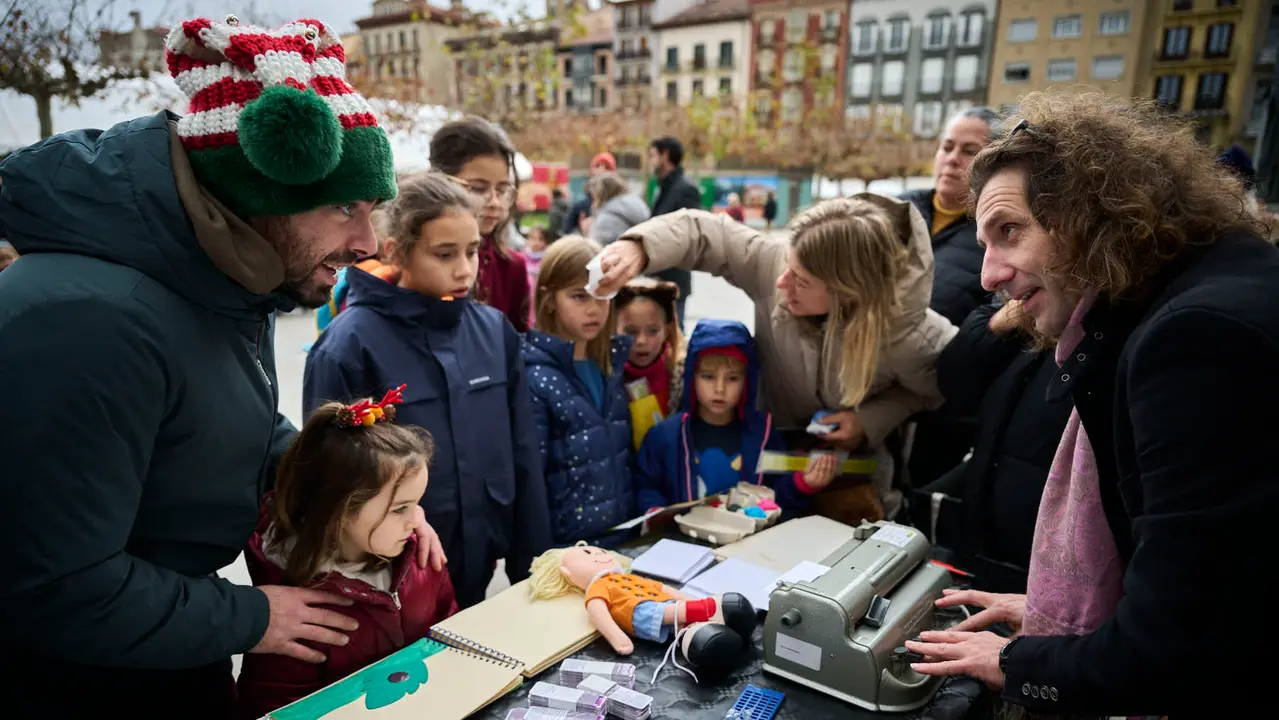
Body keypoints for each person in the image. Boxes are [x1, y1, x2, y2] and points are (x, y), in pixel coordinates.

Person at [0, 14, 444, 716]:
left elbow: (230, 426)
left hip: (167, 657)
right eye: (343, 207)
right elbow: (56, 585)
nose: (367, 242)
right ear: (254, 192)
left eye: (373, 209)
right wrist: (251, 617)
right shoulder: (91, 322)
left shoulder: (226, 279)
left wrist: (369, 493)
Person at [905, 92, 1279, 715]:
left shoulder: (1195, 339)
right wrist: (1060, 612)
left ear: (1088, 214)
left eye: (1010, 232)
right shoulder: (1200, 284)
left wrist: (1014, 664)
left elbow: (1175, 646)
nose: (990, 275)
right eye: (984, 242)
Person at [594, 194, 957, 524]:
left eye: (801, 280)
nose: (781, 283)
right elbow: (705, 233)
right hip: (769, 458)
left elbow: (935, 390)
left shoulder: (910, 334)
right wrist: (639, 247)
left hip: (849, 473)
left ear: (847, 291)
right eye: (787, 266)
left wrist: (869, 420)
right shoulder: (776, 267)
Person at [304, 172, 551, 609]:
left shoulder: (493, 331)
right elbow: (327, 486)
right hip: (392, 586)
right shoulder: (349, 346)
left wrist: (533, 568)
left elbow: (522, 451)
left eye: (472, 251)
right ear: (398, 252)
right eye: (444, 254)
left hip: (479, 571)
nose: (464, 269)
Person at [238, 390, 457, 719]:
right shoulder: (295, 615)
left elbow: (450, 631)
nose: (417, 521)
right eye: (400, 508)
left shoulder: (421, 556)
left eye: (417, 503)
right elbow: (277, 706)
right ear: (340, 511)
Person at [913, 296, 1072, 593]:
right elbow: (954, 384)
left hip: (1049, 554)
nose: (990, 278)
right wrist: (995, 325)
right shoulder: (1022, 309)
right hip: (986, 522)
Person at [902, 107, 1005, 491]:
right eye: (947, 147)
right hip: (869, 400)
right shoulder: (896, 212)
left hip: (944, 418)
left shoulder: (996, 237)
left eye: (969, 150)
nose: (952, 159)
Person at [635, 319, 836, 514]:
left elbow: (775, 499)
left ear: (747, 381)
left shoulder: (763, 434)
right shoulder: (665, 436)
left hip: (749, 535)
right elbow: (645, 486)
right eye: (708, 377)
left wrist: (802, 484)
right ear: (691, 376)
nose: (719, 389)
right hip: (683, 535)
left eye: (732, 378)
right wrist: (656, 514)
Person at [524, 236, 635, 545]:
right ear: (549, 299)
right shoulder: (535, 376)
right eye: (578, 296)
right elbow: (531, 480)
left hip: (621, 538)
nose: (593, 309)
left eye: (603, 295)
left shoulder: (612, 364)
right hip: (566, 550)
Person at [430, 117, 531, 332]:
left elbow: (517, 342)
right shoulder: (415, 259)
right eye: (477, 188)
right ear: (441, 182)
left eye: (502, 190)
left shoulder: (512, 267)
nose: (494, 202)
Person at [616, 277, 684, 450]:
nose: (641, 341)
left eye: (652, 331)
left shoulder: (683, 379)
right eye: (631, 332)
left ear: (667, 331)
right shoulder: (605, 378)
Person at [647, 136, 699, 328]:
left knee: (673, 335)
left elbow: (690, 234)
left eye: (653, 155)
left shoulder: (685, 189)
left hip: (673, 280)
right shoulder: (664, 187)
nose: (650, 161)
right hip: (659, 277)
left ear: (665, 156)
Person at [587, 171, 651, 245]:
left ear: (600, 194)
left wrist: (588, 232)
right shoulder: (640, 205)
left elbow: (595, 247)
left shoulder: (605, 220)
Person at [562, 152, 616, 237]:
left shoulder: (618, 205)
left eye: (607, 167)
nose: (601, 169)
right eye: (597, 166)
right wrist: (582, 232)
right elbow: (566, 232)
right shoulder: (579, 206)